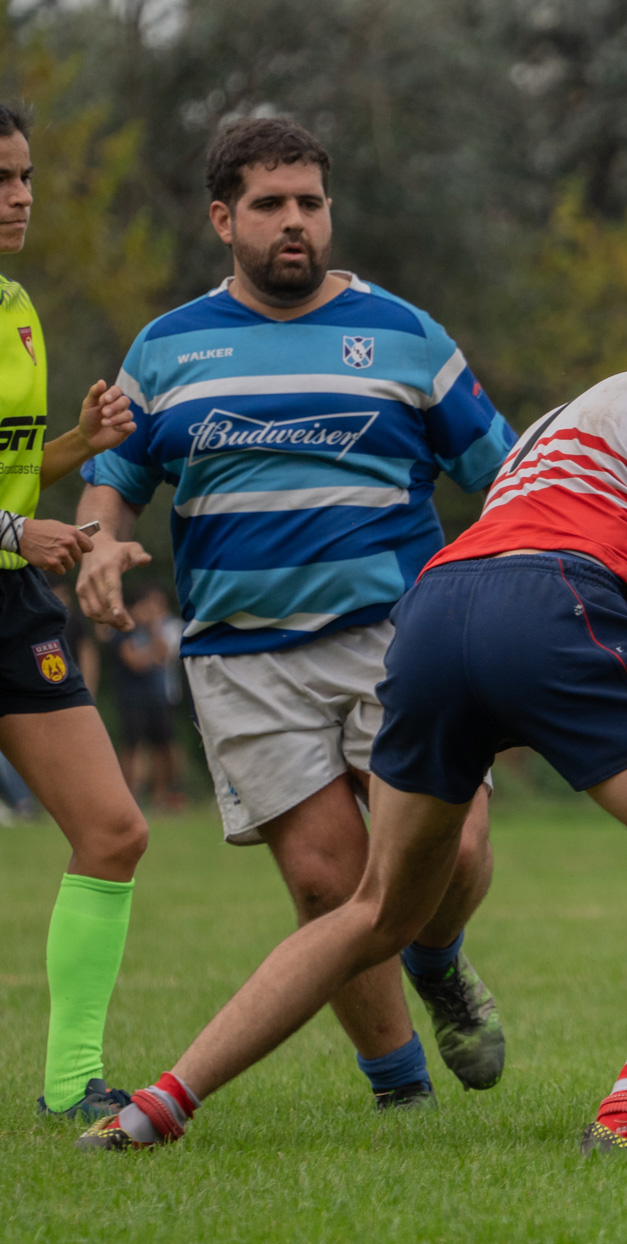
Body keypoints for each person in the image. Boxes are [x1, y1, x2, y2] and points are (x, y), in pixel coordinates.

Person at [78, 362, 627, 1156]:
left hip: (436, 606)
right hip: (555, 600)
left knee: (375, 908)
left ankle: (152, 1110)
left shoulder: (575, 418)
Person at [74, 118, 515, 1109]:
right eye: (270, 204)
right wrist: (99, 548)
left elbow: (507, 473)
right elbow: (112, 480)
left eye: (309, 202)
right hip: (242, 659)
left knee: (462, 849)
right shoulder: (168, 347)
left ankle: (438, 957)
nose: (293, 223)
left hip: (399, 640)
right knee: (327, 883)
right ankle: (402, 1092)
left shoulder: (403, 333)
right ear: (223, 217)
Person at [0, 100, 153, 1121]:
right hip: (12, 561)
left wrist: (75, 445)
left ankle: (69, 1084)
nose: (16, 200)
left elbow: (12, 471)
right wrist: (16, 533)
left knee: (114, 827)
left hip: (9, 600)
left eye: (23, 179)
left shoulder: (16, 303)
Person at [105, 584, 181, 807]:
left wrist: (155, 627)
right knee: (133, 747)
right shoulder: (122, 630)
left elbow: (165, 654)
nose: (148, 611)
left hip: (156, 697)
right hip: (131, 698)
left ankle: (160, 797)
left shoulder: (152, 630)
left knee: (160, 747)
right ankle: (130, 797)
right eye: (144, 606)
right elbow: (134, 662)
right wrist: (152, 657)